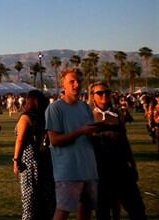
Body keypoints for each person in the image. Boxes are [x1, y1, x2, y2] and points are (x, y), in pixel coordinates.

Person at [46, 69, 100, 220]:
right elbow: (54, 140)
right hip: (68, 171)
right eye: (72, 82)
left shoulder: (84, 107)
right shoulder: (55, 108)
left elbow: (89, 134)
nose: (76, 85)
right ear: (63, 84)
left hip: (88, 169)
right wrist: (81, 131)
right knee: (63, 211)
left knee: (86, 210)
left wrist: (97, 133)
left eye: (79, 81)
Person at [88, 82, 146, 220]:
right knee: (103, 212)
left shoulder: (117, 114)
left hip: (121, 168)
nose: (104, 95)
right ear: (92, 96)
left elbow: (125, 141)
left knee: (137, 210)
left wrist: (133, 164)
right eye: (100, 93)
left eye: (107, 92)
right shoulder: (88, 116)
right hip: (100, 171)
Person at [13, 90, 55, 220]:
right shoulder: (45, 117)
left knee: (29, 196)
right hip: (45, 159)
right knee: (45, 196)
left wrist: (16, 160)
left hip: (29, 160)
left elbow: (20, 140)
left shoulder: (26, 118)